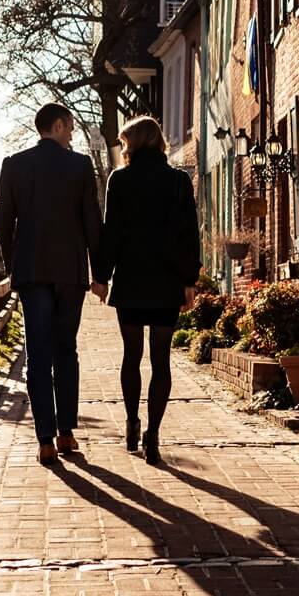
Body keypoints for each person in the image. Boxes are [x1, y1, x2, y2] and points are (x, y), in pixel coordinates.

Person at [0, 100, 104, 466]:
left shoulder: (15, 165)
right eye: (70, 127)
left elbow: (2, 220)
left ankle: (45, 440)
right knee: (65, 351)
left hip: (32, 271)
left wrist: (13, 265)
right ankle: (66, 431)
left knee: (38, 355)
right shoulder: (79, 165)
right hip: (70, 272)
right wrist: (99, 273)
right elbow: (92, 222)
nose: (72, 135)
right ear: (57, 126)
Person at [92, 115, 200, 465]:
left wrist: (101, 275)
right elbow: (189, 234)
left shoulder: (120, 180)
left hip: (132, 280)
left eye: (124, 143)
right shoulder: (178, 181)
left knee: (131, 356)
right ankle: (153, 433)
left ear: (135, 143)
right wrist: (189, 279)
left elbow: (112, 232)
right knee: (161, 359)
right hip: (167, 280)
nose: (122, 149)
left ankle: (132, 422)